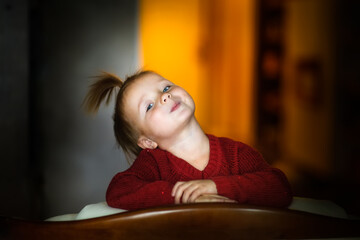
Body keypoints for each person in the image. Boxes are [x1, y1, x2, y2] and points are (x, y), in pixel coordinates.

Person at [83, 70, 292, 210]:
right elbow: (118, 191)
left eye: (165, 88)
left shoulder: (236, 153)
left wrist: (215, 187)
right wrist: (180, 196)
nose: (164, 97)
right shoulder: (153, 164)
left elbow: (280, 187)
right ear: (147, 142)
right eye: (149, 106)